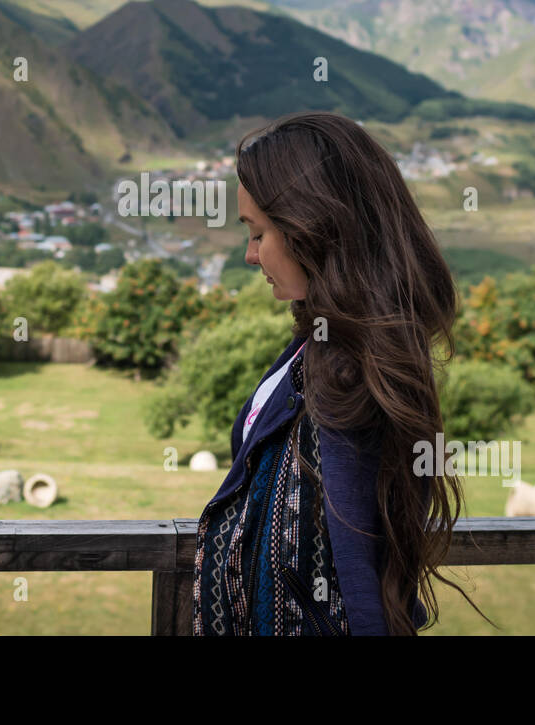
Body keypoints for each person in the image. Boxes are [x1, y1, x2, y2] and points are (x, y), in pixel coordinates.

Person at [193, 111, 488, 635]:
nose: (249, 254)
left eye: (260, 233)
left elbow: (356, 566)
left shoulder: (350, 369)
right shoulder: (315, 346)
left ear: (314, 229)